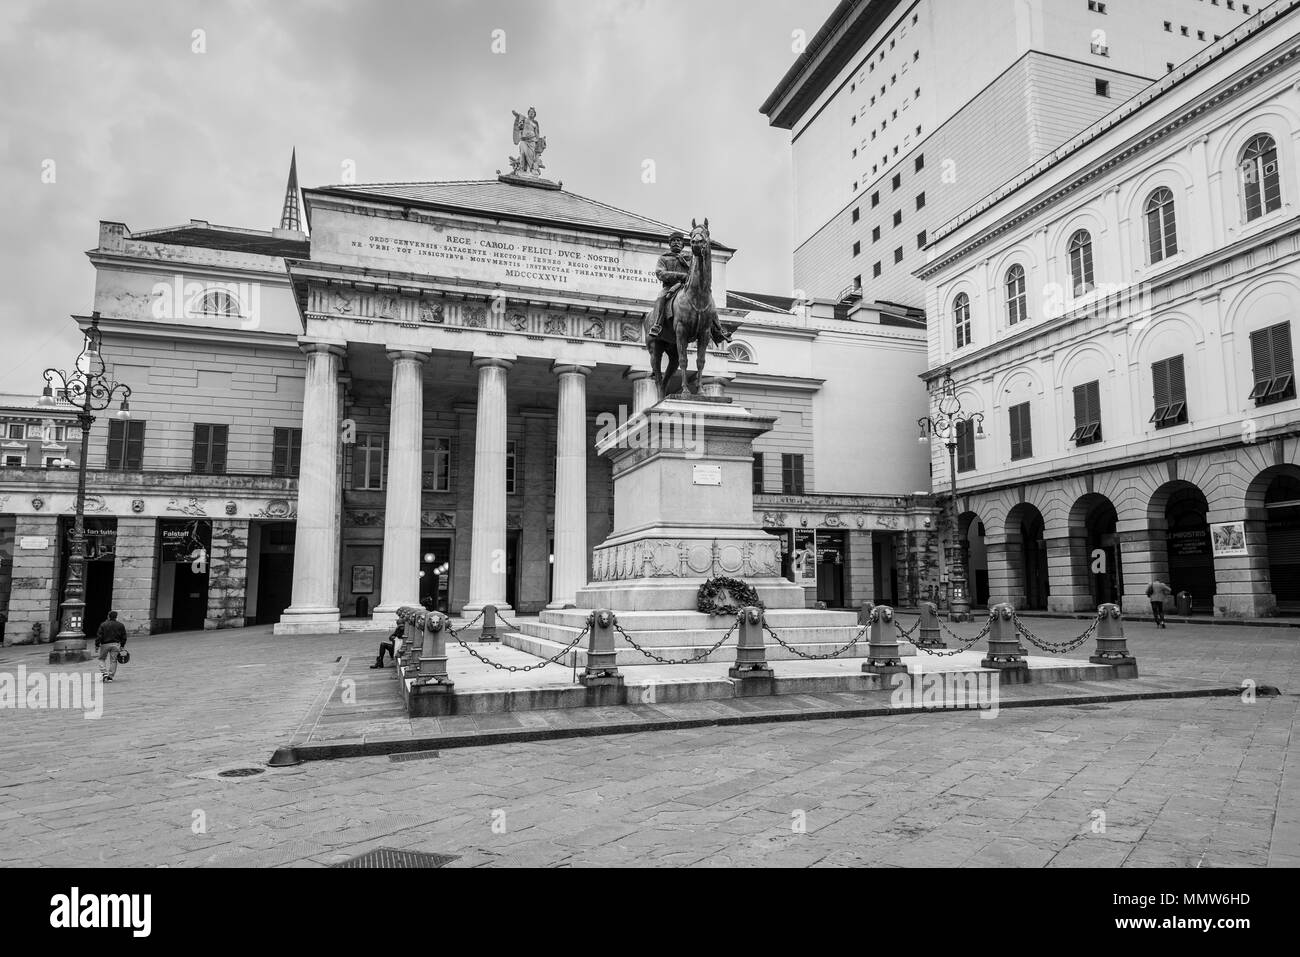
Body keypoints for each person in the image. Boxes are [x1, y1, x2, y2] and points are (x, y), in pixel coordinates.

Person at [95, 610, 127, 682]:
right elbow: (124, 636)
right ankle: (110, 676)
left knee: (102, 659)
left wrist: (97, 645)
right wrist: (122, 645)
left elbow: (99, 636)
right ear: (116, 617)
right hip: (116, 644)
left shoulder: (103, 624)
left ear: (108, 616)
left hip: (105, 644)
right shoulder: (120, 625)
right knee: (113, 660)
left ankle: (104, 673)